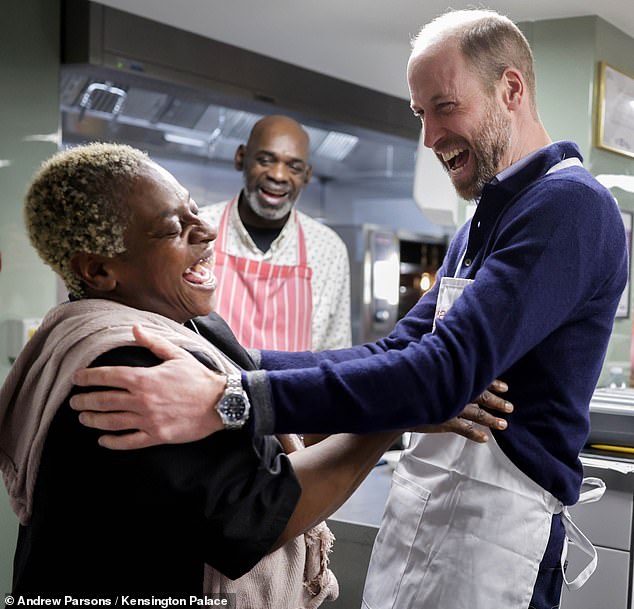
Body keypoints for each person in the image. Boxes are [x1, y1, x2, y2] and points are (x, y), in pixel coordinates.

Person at [68, 9, 628, 609]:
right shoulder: (482, 221)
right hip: (430, 515)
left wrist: (228, 400)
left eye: (444, 106)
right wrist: (223, 363)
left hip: (500, 540)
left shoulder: (569, 207)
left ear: (510, 88)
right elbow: (396, 353)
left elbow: (440, 375)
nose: (430, 138)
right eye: (420, 114)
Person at [0, 142, 508, 604]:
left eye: (194, 211)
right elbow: (261, 512)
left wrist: (400, 394)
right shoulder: (125, 363)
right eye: (175, 228)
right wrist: (395, 413)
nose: (206, 230)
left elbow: (274, 416)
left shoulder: (194, 326)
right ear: (98, 271)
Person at [200, 114, 351, 351]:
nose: (278, 176)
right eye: (266, 160)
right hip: (203, 386)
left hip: (292, 389)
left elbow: (335, 352)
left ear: (307, 175)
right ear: (241, 158)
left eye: (294, 167)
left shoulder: (328, 248)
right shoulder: (197, 230)